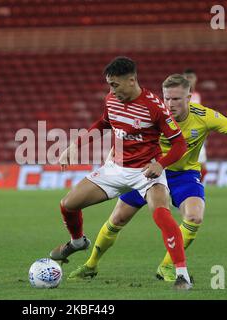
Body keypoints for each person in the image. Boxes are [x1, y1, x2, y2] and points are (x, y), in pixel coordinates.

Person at [68, 74, 227, 282]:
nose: (170, 104)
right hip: (144, 173)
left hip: (183, 175)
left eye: (176, 99)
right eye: (167, 98)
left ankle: (167, 266)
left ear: (189, 98)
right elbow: (121, 135)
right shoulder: (151, 112)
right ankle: (91, 265)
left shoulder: (205, 117)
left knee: (194, 217)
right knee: (117, 219)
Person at [49, 57, 193, 290]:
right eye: (109, 85)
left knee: (162, 215)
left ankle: (182, 274)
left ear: (131, 80)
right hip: (115, 169)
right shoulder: (111, 100)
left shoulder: (154, 107)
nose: (111, 90)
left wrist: (161, 164)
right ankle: (77, 242)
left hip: (146, 172)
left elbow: (179, 145)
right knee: (67, 204)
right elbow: (103, 123)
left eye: (115, 85)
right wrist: (75, 145)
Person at [183, 68, 207, 171]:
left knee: (203, 167)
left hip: (197, 134)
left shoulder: (198, 95)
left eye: (191, 77)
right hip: (183, 134)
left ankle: (197, 185)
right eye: (186, 77)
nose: (189, 80)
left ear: (195, 79)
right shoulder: (180, 96)